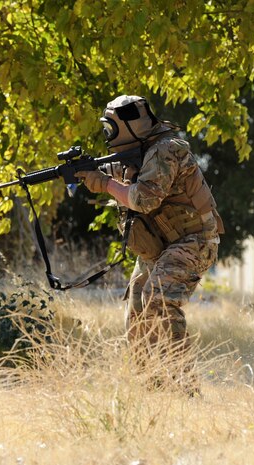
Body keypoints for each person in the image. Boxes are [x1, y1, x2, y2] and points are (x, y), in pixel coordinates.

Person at [75, 95, 224, 391]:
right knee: (138, 313)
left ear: (130, 126)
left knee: (158, 299)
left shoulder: (165, 149)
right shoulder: (136, 154)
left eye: (112, 129)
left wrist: (103, 183)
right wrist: (86, 173)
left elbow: (143, 199)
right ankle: (153, 388)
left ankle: (183, 388)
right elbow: (122, 184)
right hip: (160, 246)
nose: (109, 137)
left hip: (194, 240)